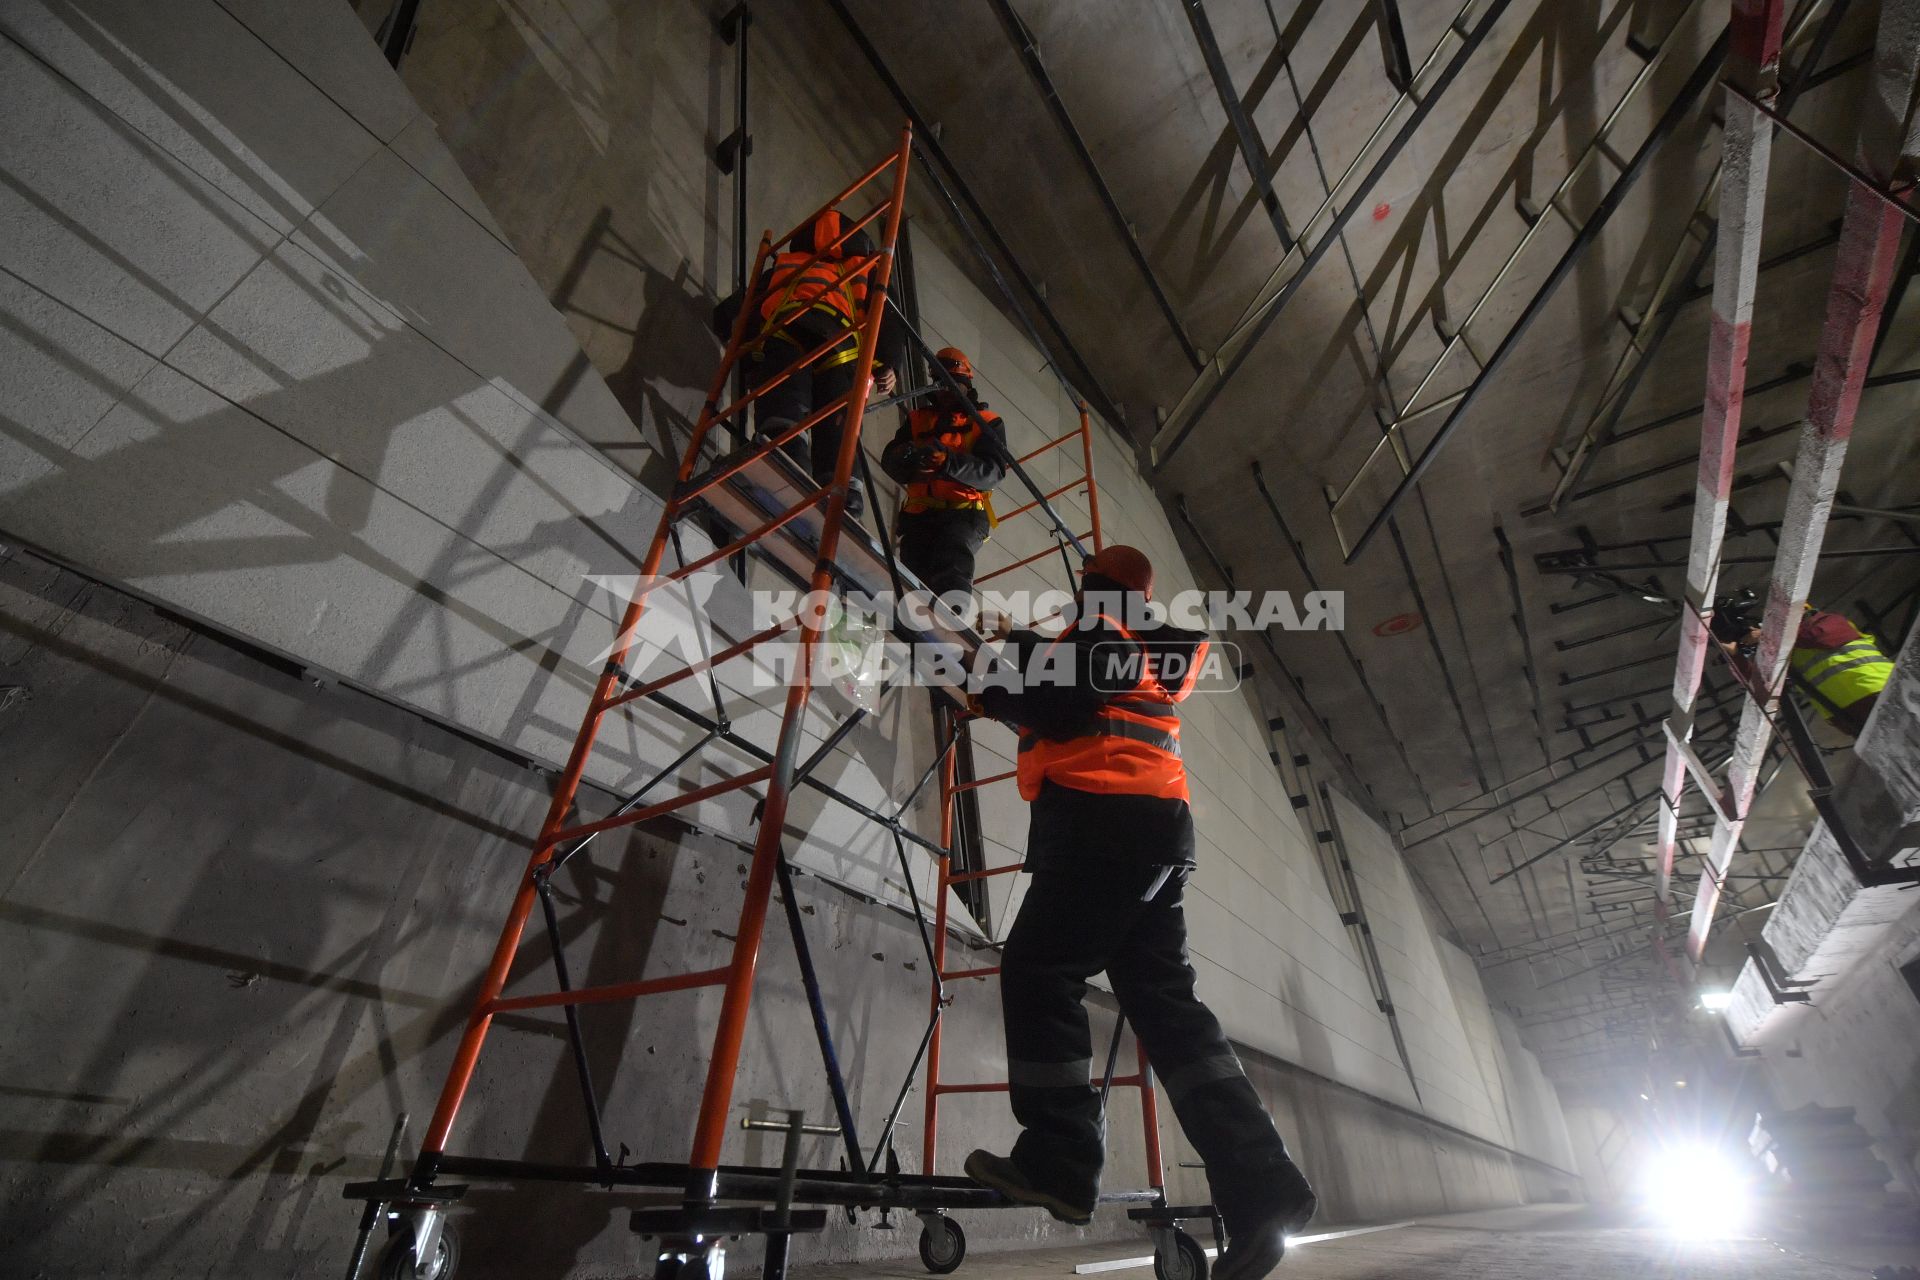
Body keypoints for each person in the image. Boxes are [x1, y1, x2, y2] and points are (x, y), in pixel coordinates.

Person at [963, 545, 1316, 1280]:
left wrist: (987, 685)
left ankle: (1060, 1159)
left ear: (1096, 584)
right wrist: (1019, 659)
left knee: (1039, 967)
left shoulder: (1100, 625)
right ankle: (1263, 1187)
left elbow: (1060, 705)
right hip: (1156, 832)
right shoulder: (1151, 642)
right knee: (1166, 1006)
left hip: (1099, 823)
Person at [733, 210, 900, 517]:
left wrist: (747, 360)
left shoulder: (787, 263)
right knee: (837, 417)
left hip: (788, 328)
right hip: (842, 342)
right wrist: (887, 365)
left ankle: (785, 455)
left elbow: (750, 310)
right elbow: (886, 320)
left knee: (786, 396)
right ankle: (845, 494)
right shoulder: (865, 271)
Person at [879, 347, 1007, 600]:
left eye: (951, 384)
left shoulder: (987, 421)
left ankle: (952, 610)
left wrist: (947, 463)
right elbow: (890, 460)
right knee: (910, 575)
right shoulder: (917, 419)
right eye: (940, 384)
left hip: (964, 513)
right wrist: (910, 458)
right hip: (919, 515)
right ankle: (909, 623)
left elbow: (992, 471)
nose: (945, 391)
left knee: (952, 557)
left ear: (965, 385)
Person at [1711, 595, 1893, 738]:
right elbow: (1759, 686)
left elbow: (1820, 636)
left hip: (1881, 691)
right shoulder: (1786, 652)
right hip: (1848, 717)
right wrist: (1735, 656)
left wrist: (1768, 635)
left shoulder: (1827, 621)